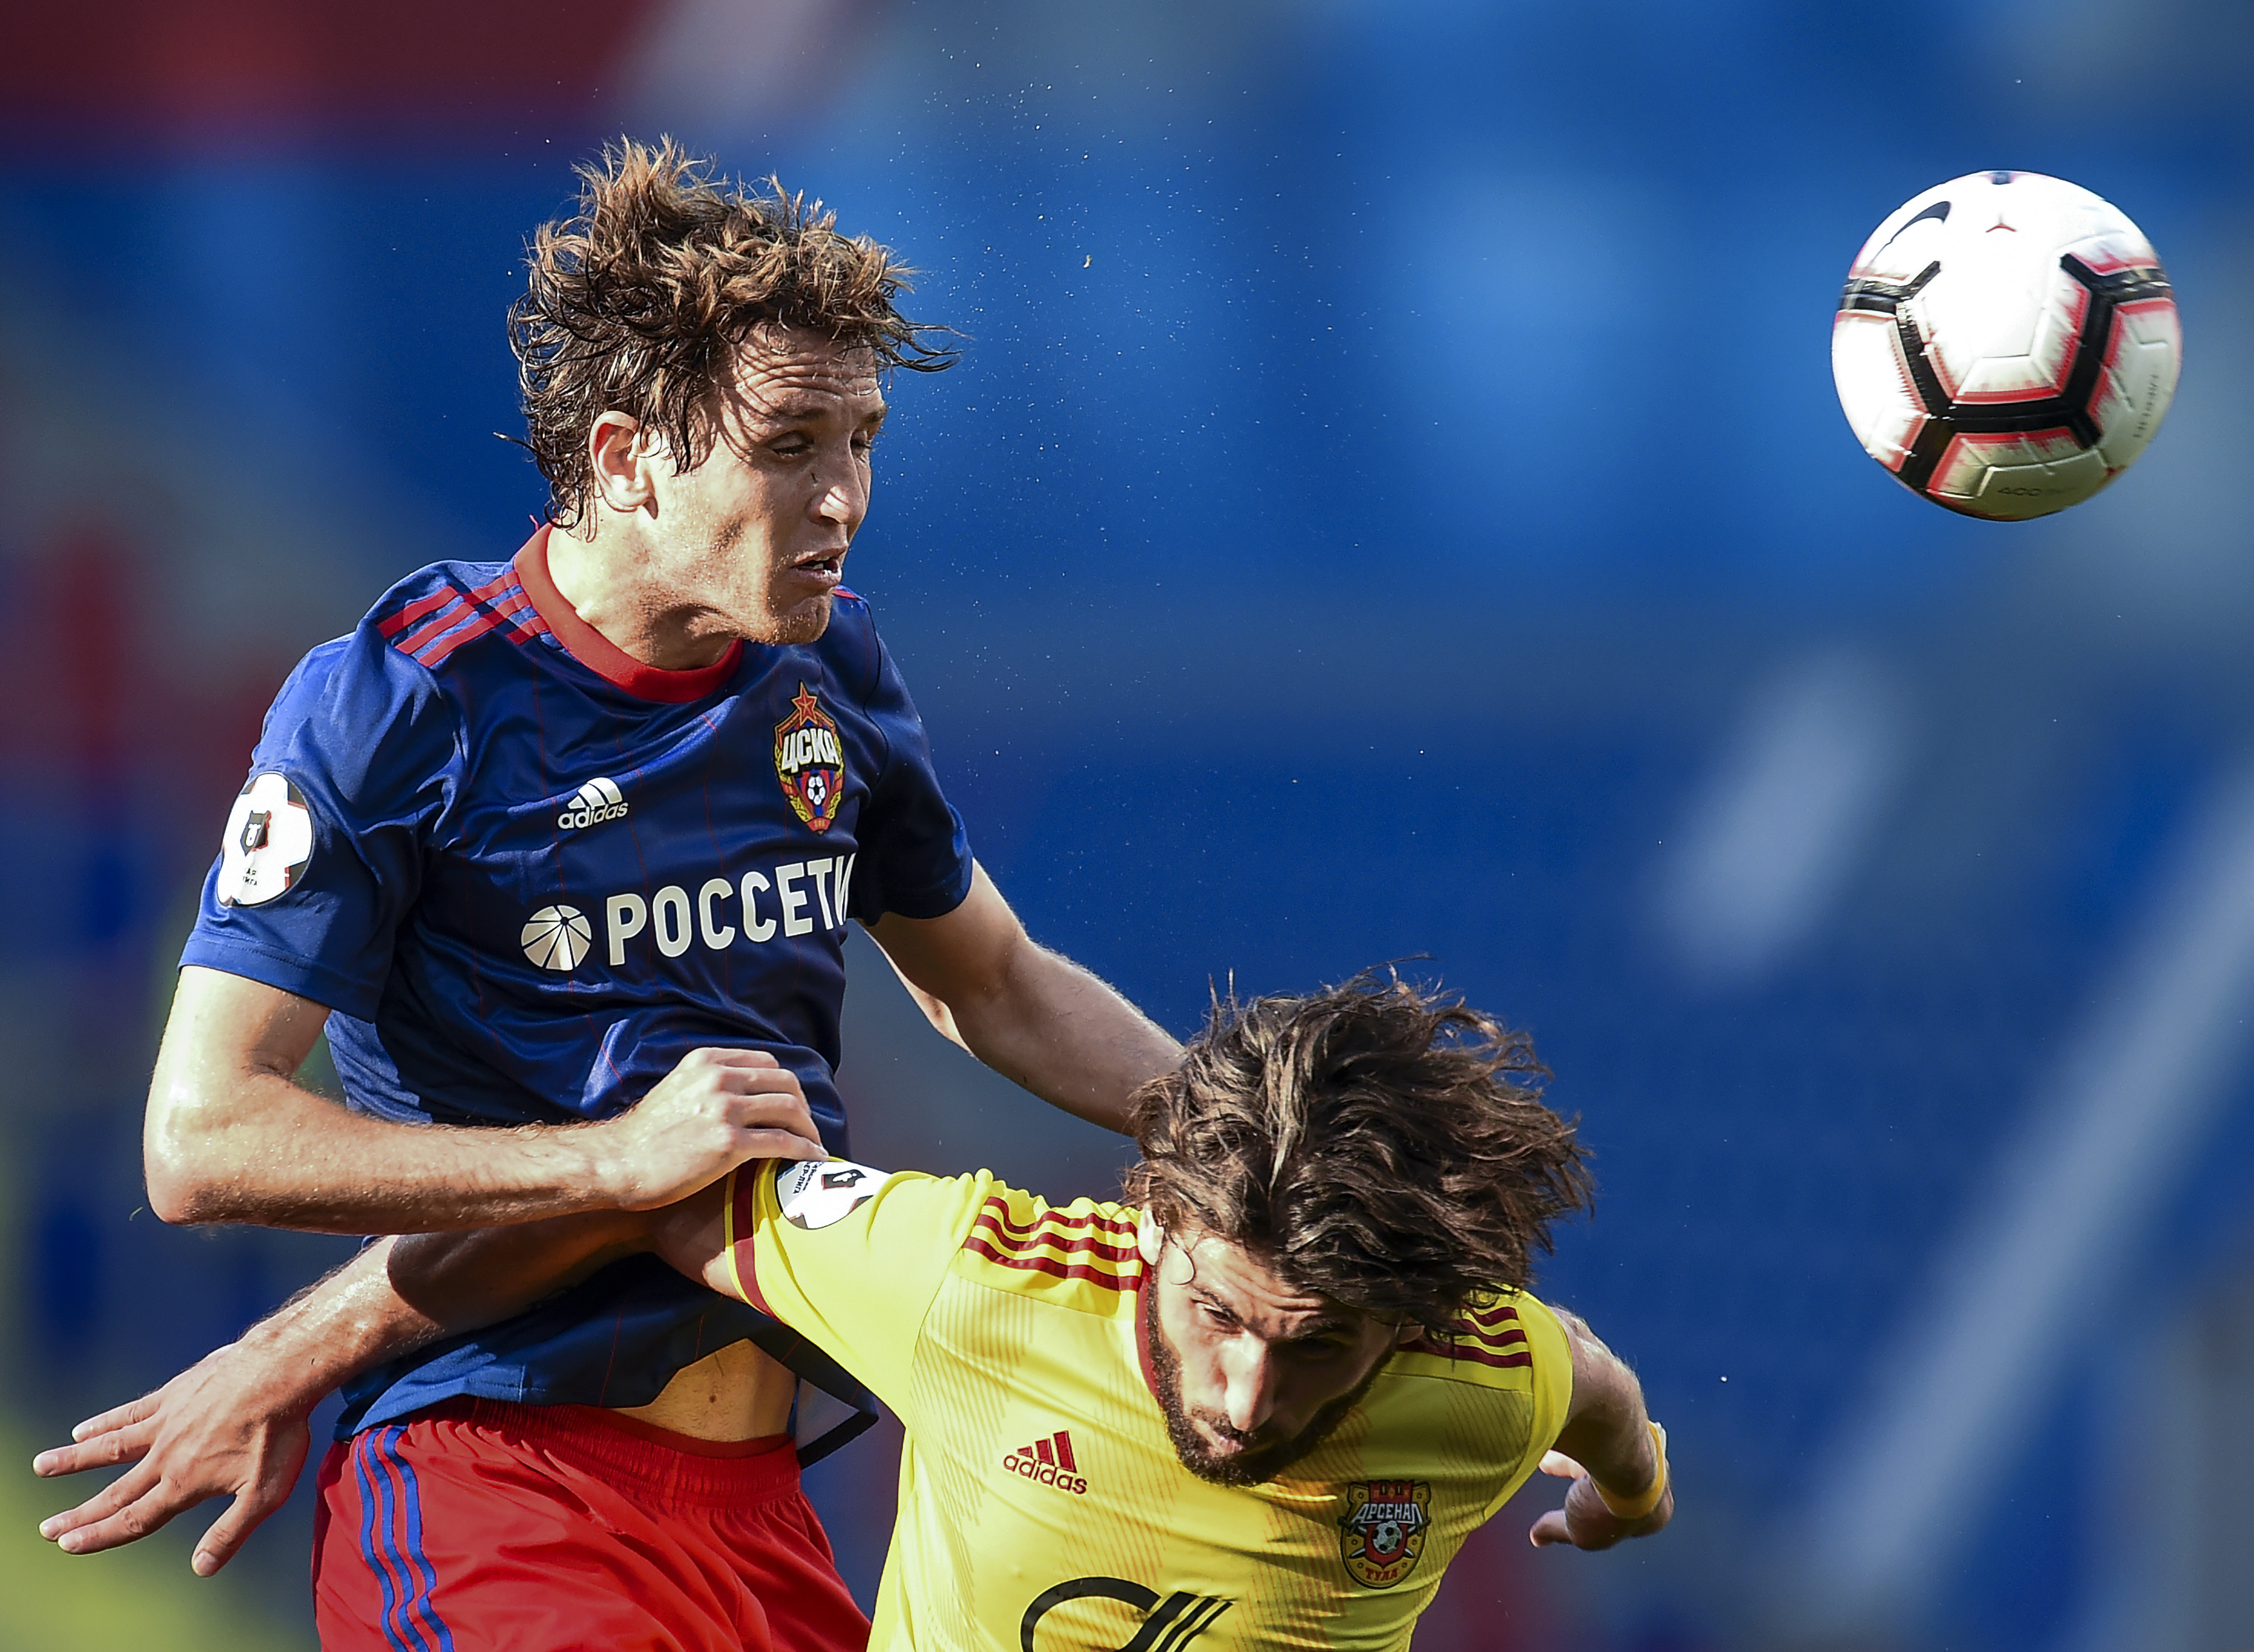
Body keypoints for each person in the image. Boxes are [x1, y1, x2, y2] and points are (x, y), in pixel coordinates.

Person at [35, 139, 1179, 1651]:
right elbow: (200, 1137)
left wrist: (1281, 1143)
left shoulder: (827, 671)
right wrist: (612, 1159)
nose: (840, 498)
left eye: (863, 440)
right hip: (497, 1482)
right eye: (787, 447)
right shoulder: (402, 700)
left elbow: (999, 987)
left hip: (764, 1508)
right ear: (630, 455)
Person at [59, 976, 1671, 1647]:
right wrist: (296, 1344)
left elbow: (1588, 1384)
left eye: (1316, 1344)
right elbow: (647, 1189)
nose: (1247, 1393)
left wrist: (1631, 1486)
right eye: (1222, 1314)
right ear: (1154, 1211)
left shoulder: (1480, 1376)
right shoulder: (968, 1276)